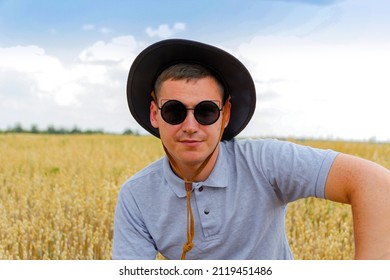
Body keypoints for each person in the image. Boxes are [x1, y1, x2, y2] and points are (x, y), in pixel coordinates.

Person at [112, 39, 390, 260]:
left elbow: (375, 182)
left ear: (225, 114)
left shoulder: (265, 162)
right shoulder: (136, 196)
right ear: (154, 114)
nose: (190, 126)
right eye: (174, 111)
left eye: (206, 111)